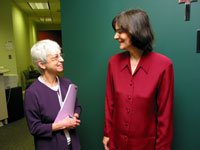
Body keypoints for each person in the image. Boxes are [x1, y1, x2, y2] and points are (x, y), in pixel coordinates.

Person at [103, 9, 174, 150]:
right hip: (117, 143)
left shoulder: (164, 65)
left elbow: (165, 115)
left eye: (119, 32)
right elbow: (110, 103)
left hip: (146, 146)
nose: (115, 36)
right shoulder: (114, 62)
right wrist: (107, 134)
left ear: (135, 31)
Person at [24, 39, 81, 150]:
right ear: (42, 64)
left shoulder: (67, 83)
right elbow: (35, 128)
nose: (62, 59)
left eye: (60, 55)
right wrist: (62, 124)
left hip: (73, 145)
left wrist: (74, 117)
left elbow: (77, 106)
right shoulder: (32, 93)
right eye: (55, 57)